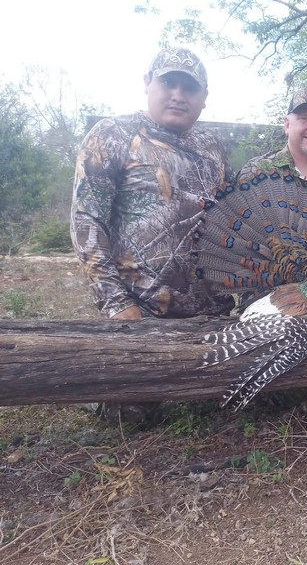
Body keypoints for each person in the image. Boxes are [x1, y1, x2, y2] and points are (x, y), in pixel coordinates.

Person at [71, 46, 234, 422]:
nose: (178, 95)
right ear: (147, 84)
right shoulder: (112, 134)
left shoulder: (212, 148)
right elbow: (86, 222)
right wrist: (116, 304)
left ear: (204, 99)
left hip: (209, 315)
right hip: (141, 313)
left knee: (227, 412)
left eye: (189, 88)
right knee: (131, 421)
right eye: (168, 83)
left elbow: (231, 222)